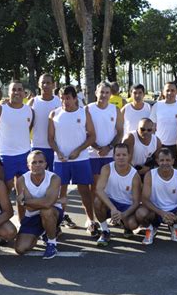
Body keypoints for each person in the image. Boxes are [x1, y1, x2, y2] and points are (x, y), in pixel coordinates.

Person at [48, 85, 95, 236]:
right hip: (60, 161)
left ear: (75, 98)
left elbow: (92, 136)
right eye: (62, 98)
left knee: (84, 191)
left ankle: (91, 220)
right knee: (60, 193)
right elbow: (50, 138)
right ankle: (59, 221)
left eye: (68, 98)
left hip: (80, 159)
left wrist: (78, 150)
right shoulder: (54, 114)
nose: (65, 101)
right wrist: (58, 151)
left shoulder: (84, 113)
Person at [136, 148, 177, 245]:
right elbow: (145, 199)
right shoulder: (150, 175)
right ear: (157, 161)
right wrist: (162, 213)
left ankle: (173, 225)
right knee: (140, 213)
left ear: (172, 161)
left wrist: (175, 217)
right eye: (162, 160)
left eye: (168, 160)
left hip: (174, 211)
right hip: (155, 210)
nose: (165, 163)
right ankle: (151, 227)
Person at [87, 81, 124, 235]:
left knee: (110, 188)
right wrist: (97, 147)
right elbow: (85, 132)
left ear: (111, 94)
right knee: (94, 189)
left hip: (110, 155)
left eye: (106, 92)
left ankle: (113, 216)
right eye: (101, 92)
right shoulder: (87, 109)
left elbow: (120, 132)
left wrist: (108, 147)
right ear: (96, 92)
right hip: (92, 155)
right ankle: (92, 220)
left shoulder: (115, 110)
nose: (103, 95)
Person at [0, 81, 34, 195]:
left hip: (25, 155)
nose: (17, 92)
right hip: (6, 156)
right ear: (8, 93)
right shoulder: (0, 109)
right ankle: (4, 212)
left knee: (23, 191)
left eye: (19, 89)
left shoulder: (29, 110)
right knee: (5, 189)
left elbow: (28, 128)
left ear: (24, 93)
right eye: (13, 90)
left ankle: (22, 213)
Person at [14, 150, 63, 259]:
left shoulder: (54, 178)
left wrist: (24, 201)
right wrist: (45, 201)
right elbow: (30, 209)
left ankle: (51, 243)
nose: (37, 165)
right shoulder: (21, 180)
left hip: (52, 213)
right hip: (32, 215)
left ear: (45, 164)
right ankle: (43, 231)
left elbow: (48, 203)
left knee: (46, 211)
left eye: (40, 162)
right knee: (20, 249)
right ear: (28, 165)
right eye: (34, 162)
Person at [94, 143, 141, 246]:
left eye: (124, 155)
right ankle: (105, 231)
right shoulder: (107, 168)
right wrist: (113, 209)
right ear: (113, 156)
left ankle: (125, 224)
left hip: (126, 206)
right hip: (110, 203)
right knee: (97, 201)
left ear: (129, 156)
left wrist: (123, 214)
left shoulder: (135, 175)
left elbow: (136, 202)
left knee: (132, 225)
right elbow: (99, 190)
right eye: (118, 155)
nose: (121, 157)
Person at [28, 74, 62, 173]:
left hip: (55, 147)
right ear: (39, 84)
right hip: (37, 146)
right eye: (43, 83)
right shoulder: (33, 102)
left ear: (53, 85)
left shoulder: (59, 101)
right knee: (36, 177)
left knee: (54, 178)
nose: (45, 85)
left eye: (48, 83)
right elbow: (26, 123)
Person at [149, 82, 177, 164]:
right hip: (160, 145)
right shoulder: (157, 106)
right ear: (163, 92)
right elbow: (152, 127)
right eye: (167, 90)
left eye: (172, 90)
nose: (170, 93)